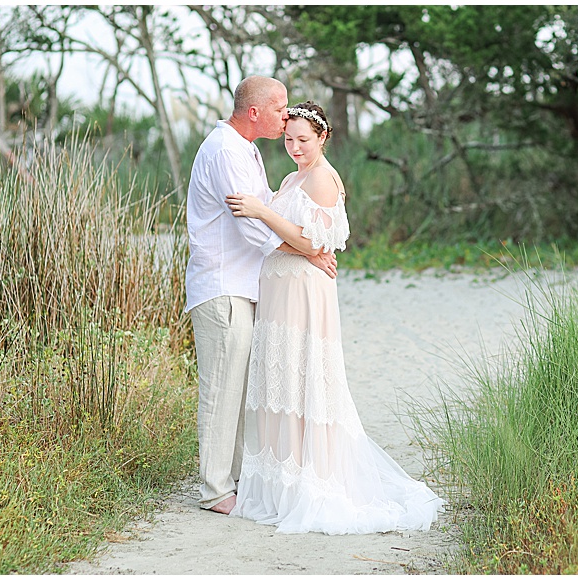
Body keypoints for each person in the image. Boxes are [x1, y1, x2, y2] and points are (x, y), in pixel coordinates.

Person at [225, 101, 443, 534]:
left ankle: (312, 481)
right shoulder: (291, 177)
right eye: (288, 139)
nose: (294, 148)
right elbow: (294, 242)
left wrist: (264, 213)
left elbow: (310, 241)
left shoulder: (323, 179)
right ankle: (276, 483)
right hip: (281, 290)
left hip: (304, 293)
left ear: (323, 138)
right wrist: (290, 241)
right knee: (279, 382)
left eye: (303, 140)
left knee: (304, 378)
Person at [185, 78, 337, 515]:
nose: (286, 116)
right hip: (222, 286)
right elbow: (253, 228)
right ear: (255, 112)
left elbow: (267, 207)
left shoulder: (245, 148)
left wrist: (308, 245)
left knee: (237, 388)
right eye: (280, 108)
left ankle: (229, 479)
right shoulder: (226, 151)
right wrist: (309, 251)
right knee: (221, 388)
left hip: (242, 285)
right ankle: (215, 489)